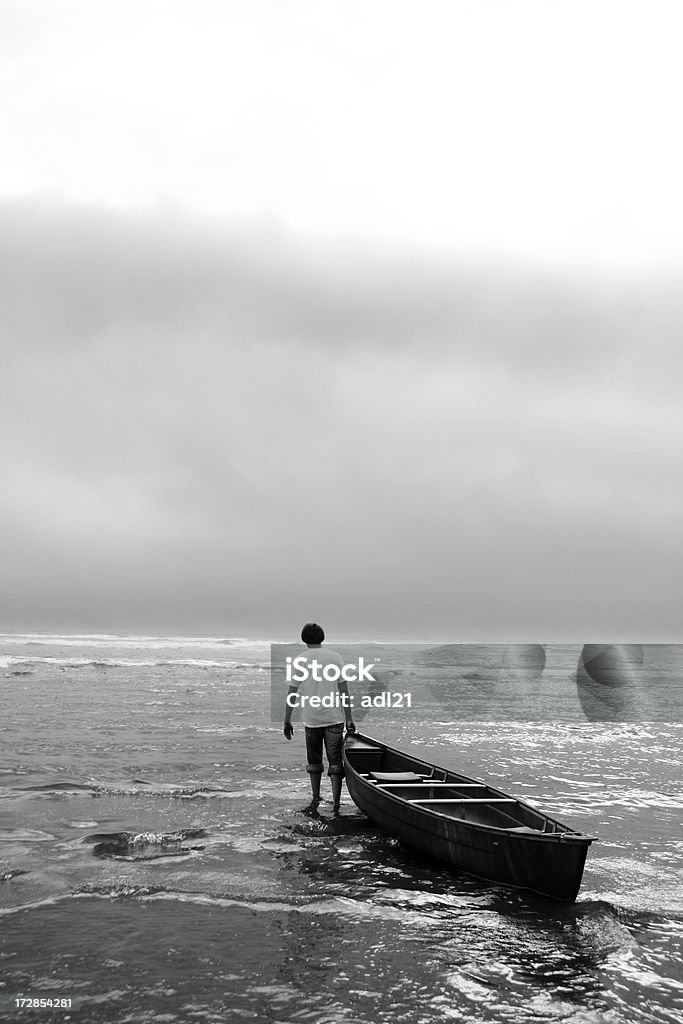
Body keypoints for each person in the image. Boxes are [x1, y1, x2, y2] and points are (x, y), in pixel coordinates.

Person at [283, 623, 356, 814]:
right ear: (322, 637)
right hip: (334, 718)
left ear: (304, 638)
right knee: (335, 761)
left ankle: (316, 798)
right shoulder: (335, 657)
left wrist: (286, 720)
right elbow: (344, 690)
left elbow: (292, 692)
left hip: (311, 719)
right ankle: (336, 801)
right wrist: (349, 719)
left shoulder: (300, 660)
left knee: (314, 760)